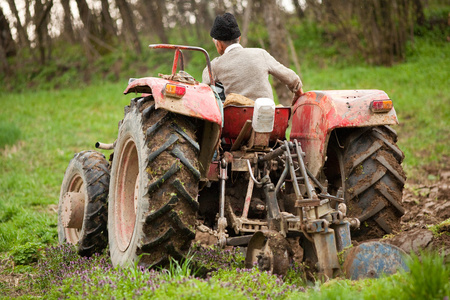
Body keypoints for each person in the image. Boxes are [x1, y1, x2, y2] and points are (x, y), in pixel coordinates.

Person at [202, 12, 303, 103]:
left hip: (235, 118)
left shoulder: (215, 65)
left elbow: (203, 89)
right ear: (239, 39)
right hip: (267, 116)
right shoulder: (260, 54)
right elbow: (291, 78)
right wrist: (298, 93)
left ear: (219, 44)